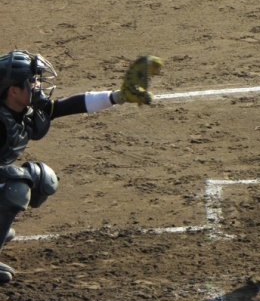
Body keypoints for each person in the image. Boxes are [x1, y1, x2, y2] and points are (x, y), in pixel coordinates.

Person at [0, 50, 158, 284]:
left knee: (40, 179)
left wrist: (117, 97)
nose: (38, 85)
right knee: (17, 185)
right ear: (13, 90)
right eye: (31, 81)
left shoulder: (23, 110)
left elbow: (65, 106)